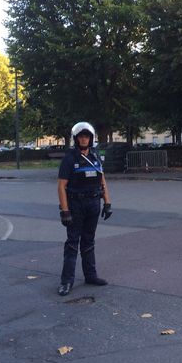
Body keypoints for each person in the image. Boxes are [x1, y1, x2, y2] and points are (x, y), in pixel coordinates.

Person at [57, 122, 113, 296]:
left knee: (89, 241)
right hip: (76, 205)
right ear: (76, 138)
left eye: (87, 136)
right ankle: (66, 281)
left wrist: (108, 203)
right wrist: (65, 211)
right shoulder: (70, 159)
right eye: (81, 136)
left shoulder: (95, 157)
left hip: (93, 204)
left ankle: (90, 275)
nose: (84, 139)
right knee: (73, 243)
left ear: (91, 139)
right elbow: (61, 186)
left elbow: (102, 181)